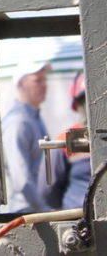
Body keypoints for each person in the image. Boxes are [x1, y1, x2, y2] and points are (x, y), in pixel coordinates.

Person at [1, 60, 52, 213]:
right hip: (24, 213)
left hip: (33, 210)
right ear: (21, 84)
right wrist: (43, 210)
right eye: (38, 80)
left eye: (44, 80)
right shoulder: (18, 122)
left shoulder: (33, 117)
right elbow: (21, 179)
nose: (44, 85)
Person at [45, 70, 91, 210]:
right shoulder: (65, 141)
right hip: (79, 219)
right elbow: (48, 191)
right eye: (84, 101)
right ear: (77, 105)